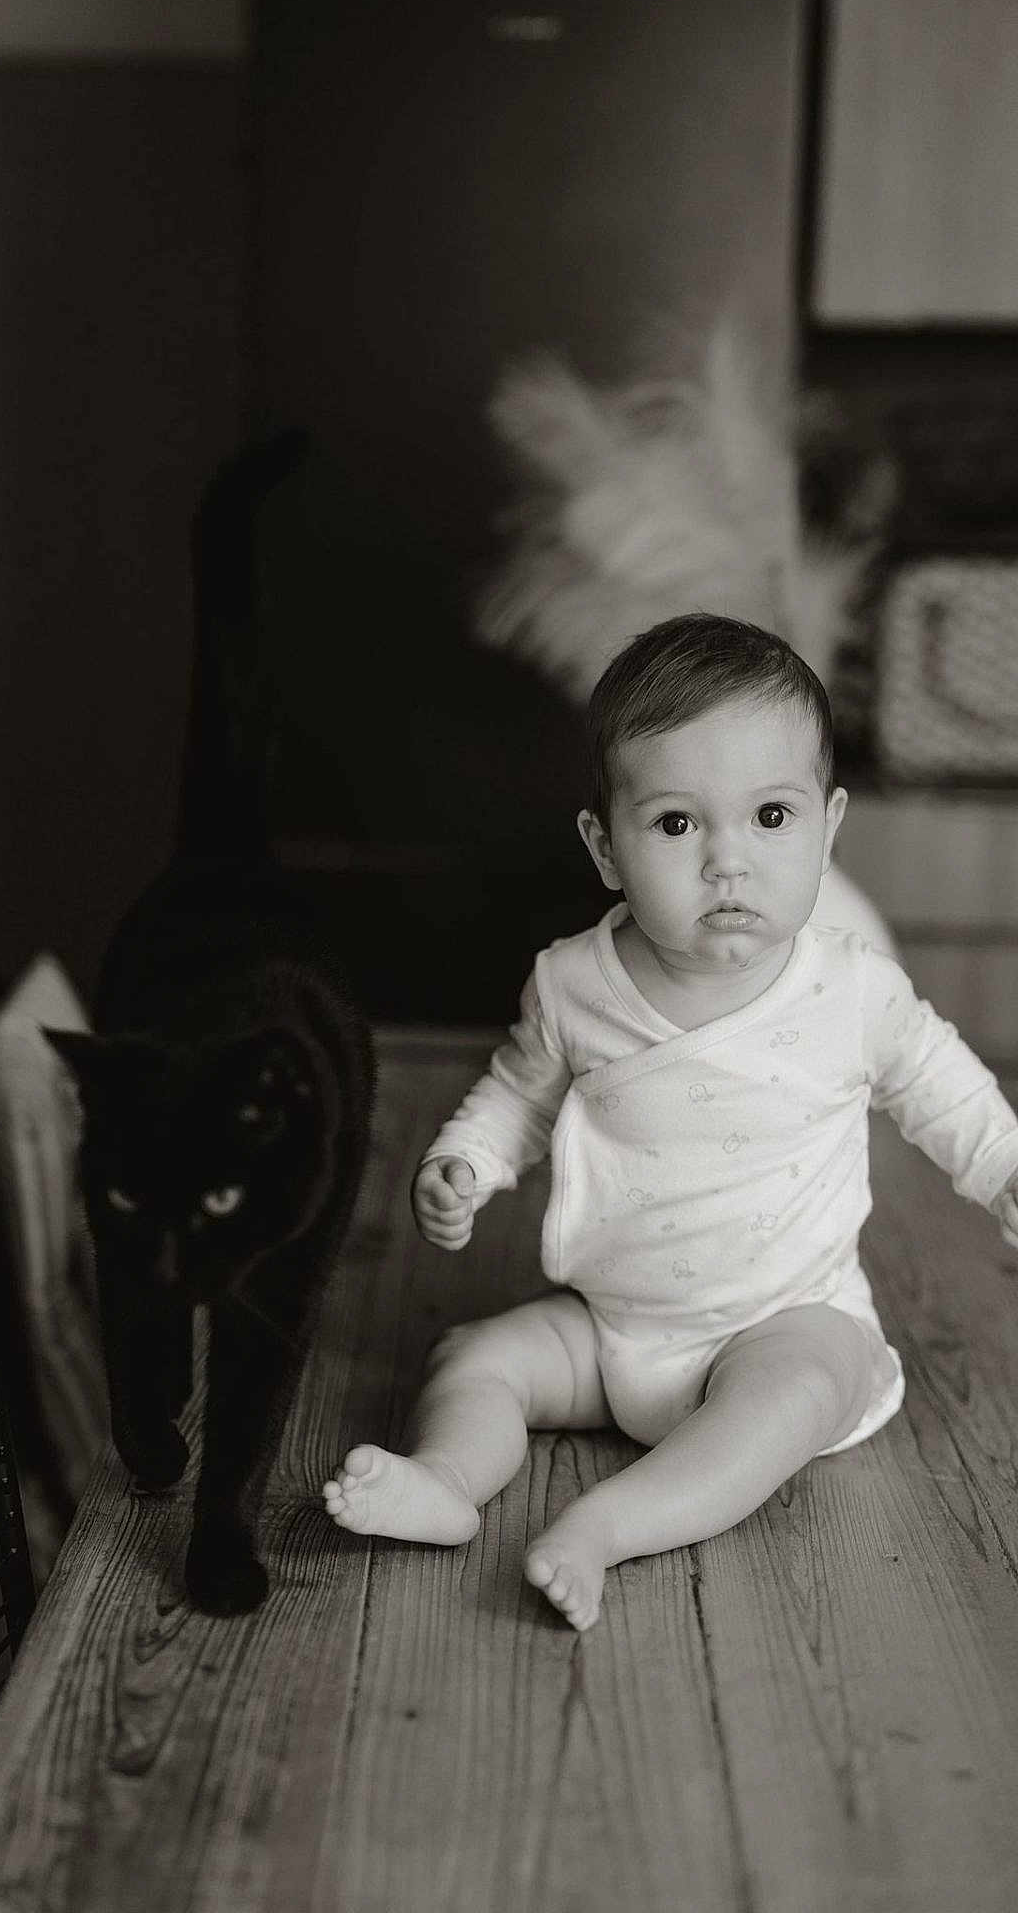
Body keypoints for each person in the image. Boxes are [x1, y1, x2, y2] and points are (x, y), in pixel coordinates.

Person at [323, 613, 1018, 1630]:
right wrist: (466, 1160)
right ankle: (443, 1483)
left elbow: (939, 1085)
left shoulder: (847, 988)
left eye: (768, 818)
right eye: (677, 824)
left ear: (827, 826)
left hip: (785, 1315)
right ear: (605, 847)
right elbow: (519, 1091)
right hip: (617, 1329)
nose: (726, 862)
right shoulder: (572, 985)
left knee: (786, 1401)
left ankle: (608, 1525)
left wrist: (1004, 1169)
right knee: (474, 1358)